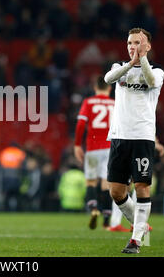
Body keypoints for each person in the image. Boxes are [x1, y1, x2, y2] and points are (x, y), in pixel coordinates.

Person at [104, 28, 164, 253]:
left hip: (142, 137)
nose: (132, 47)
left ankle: (136, 240)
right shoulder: (119, 67)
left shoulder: (157, 71)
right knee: (116, 192)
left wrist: (142, 61)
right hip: (119, 136)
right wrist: (130, 64)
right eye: (130, 42)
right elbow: (108, 78)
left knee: (141, 186)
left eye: (138, 42)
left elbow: (150, 81)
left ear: (147, 46)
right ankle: (141, 226)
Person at [74, 76, 114, 230]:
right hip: (110, 148)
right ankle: (106, 218)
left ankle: (94, 209)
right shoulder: (115, 103)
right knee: (106, 182)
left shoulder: (89, 102)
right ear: (109, 89)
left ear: (94, 87)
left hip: (92, 148)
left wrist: (77, 144)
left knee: (91, 181)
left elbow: (80, 123)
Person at [108, 137, 164, 232]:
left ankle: (119, 222)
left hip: (121, 141)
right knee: (130, 185)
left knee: (127, 186)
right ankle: (133, 222)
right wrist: (155, 141)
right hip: (131, 141)